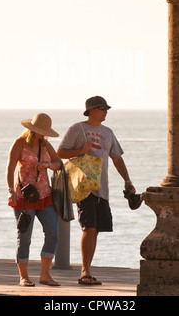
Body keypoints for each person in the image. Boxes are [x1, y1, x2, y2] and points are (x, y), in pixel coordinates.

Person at [57, 96, 136, 285]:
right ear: (91, 110)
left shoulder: (108, 132)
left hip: (102, 188)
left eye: (107, 108)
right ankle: (84, 271)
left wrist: (127, 181)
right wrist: (80, 151)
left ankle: (88, 271)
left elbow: (117, 158)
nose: (105, 111)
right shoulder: (77, 129)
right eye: (102, 108)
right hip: (84, 188)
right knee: (89, 227)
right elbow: (60, 153)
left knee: (96, 230)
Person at [6, 112, 62, 287]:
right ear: (32, 129)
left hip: (45, 196)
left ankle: (45, 275)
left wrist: (47, 165)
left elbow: (59, 163)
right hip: (24, 197)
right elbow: (10, 168)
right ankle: (23, 277)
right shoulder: (20, 143)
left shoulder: (45, 144)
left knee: (53, 233)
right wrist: (10, 190)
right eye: (40, 130)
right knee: (24, 236)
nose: (43, 134)